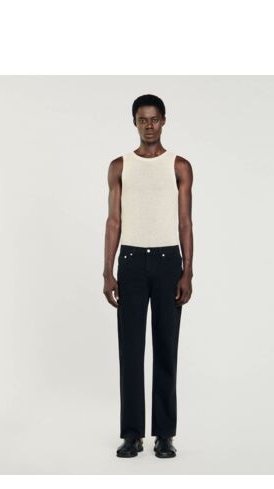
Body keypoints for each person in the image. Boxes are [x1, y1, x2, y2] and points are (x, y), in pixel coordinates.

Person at [103, 94, 193, 458]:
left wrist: (188, 271)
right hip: (131, 260)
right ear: (135, 123)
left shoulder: (179, 165)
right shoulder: (120, 166)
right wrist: (107, 271)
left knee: (166, 348)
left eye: (155, 119)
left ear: (164, 120)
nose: (149, 125)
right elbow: (114, 221)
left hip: (169, 261)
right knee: (130, 349)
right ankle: (132, 433)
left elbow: (185, 222)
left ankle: (165, 434)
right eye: (143, 120)